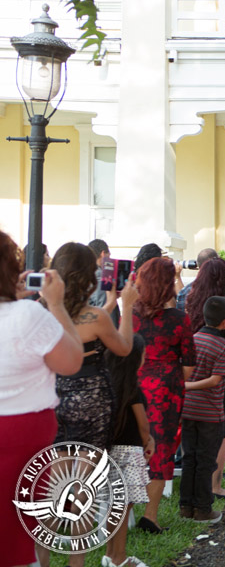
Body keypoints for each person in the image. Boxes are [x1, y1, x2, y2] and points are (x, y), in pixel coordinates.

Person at [0, 230, 82, 567]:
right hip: (21, 435)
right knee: (15, 530)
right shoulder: (27, 316)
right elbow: (72, 360)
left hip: (22, 434)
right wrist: (57, 305)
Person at [46, 243, 137, 450]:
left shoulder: (41, 311)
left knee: (59, 467)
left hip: (53, 394)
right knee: (89, 470)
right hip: (92, 397)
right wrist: (128, 306)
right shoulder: (96, 317)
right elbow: (123, 348)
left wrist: (110, 304)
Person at [132, 257, 196, 533]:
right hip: (165, 390)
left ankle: (126, 513)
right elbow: (189, 365)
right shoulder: (179, 319)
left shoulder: (130, 315)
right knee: (161, 448)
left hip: (133, 386)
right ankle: (151, 515)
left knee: (131, 448)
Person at [184, 257, 225, 500]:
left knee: (199, 425)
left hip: (198, 361)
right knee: (221, 428)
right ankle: (215, 484)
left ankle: (193, 483)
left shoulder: (193, 299)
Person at [181, 296, 225, 525]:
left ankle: (185, 506)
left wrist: (186, 387)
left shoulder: (192, 339)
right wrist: (190, 386)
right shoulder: (224, 346)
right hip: (210, 413)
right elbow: (215, 380)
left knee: (189, 457)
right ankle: (202, 509)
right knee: (206, 461)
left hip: (187, 409)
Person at [103, 335, 154, 567]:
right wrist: (148, 441)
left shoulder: (106, 385)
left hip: (109, 452)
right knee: (122, 508)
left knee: (116, 507)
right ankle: (119, 558)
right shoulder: (132, 388)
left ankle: (109, 553)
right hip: (130, 454)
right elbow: (143, 425)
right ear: (136, 359)